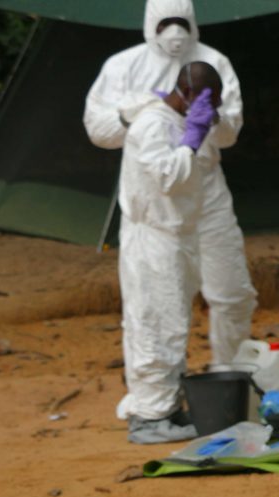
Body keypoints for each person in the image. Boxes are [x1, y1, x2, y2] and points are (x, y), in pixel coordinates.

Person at [84, 0, 257, 375]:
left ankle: (230, 377)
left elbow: (230, 132)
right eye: (165, 23)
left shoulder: (214, 62)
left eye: (181, 22)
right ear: (151, 23)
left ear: (193, 21)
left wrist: (210, 120)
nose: (175, 32)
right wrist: (135, 115)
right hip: (157, 204)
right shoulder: (124, 66)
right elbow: (98, 130)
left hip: (206, 191)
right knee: (154, 305)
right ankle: (157, 390)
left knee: (232, 293)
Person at [115, 63, 222, 443]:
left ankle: (167, 406)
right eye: (210, 102)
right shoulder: (152, 125)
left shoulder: (171, 121)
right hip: (153, 240)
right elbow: (167, 178)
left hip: (174, 237)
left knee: (172, 325)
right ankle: (150, 416)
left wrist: (192, 136)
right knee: (153, 326)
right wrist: (191, 141)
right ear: (191, 94)